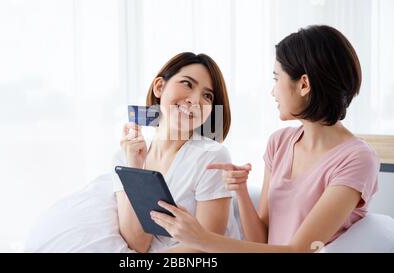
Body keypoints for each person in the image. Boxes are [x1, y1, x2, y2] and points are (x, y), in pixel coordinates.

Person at [150, 25, 380, 252]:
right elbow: (261, 241)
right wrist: (240, 190)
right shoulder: (279, 143)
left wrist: (201, 239)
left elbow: (298, 251)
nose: (273, 91)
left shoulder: (357, 159)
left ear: (303, 84)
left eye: (276, 78)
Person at [113, 52, 241, 253]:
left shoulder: (212, 156)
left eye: (207, 95)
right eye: (187, 84)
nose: (195, 100)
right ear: (159, 87)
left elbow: (204, 248)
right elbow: (136, 243)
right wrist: (135, 169)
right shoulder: (125, 157)